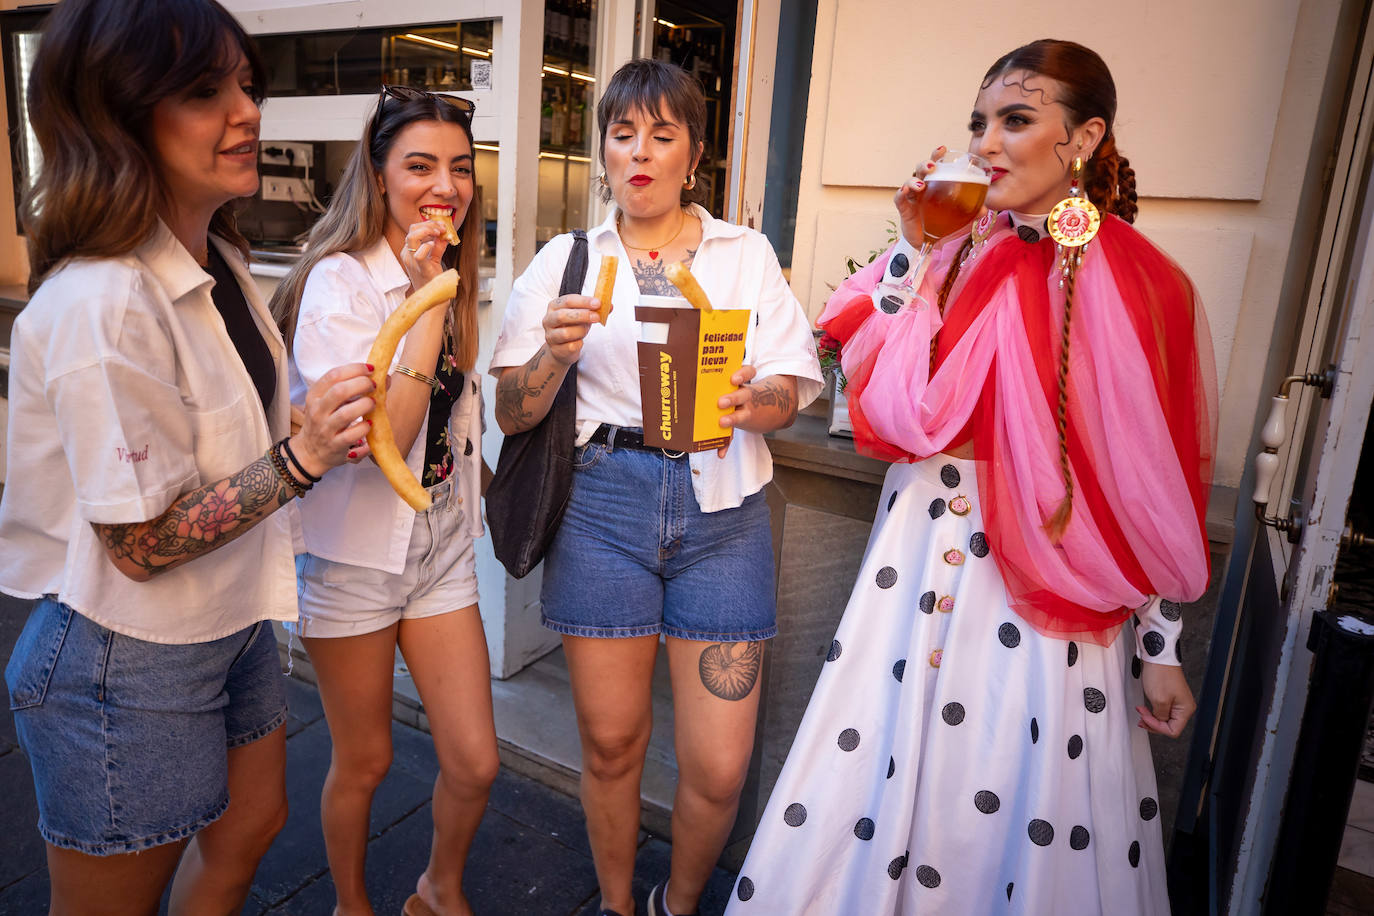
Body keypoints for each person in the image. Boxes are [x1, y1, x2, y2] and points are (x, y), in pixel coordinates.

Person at [726, 40, 1216, 915]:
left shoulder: (1138, 283)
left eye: (1016, 119)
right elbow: (862, 368)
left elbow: (1150, 489)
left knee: (1007, 792)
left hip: (1047, 597)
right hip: (917, 564)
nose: (988, 142)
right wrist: (915, 248)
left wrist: (1160, 648)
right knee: (882, 778)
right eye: (979, 122)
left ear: (1084, 136)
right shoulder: (956, 253)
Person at [0, 0, 375, 912]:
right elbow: (140, 544)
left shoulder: (220, 262)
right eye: (205, 91)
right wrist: (303, 457)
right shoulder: (104, 302)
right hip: (125, 652)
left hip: (235, 615)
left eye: (247, 85)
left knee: (249, 828)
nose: (248, 111)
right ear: (120, 116)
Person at [490, 59, 823, 916]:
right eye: (623, 133)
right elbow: (512, 409)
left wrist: (756, 402)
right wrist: (556, 353)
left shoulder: (743, 256)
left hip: (724, 512)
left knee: (716, 767)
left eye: (662, 134)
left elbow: (791, 388)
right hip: (602, 504)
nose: (639, 152)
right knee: (609, 742)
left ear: (693, 154)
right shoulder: (565, 262)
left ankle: (676, 904)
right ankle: (614, 902)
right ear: (603, 149)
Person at [269, 84, 495, 916]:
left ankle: (438, 889)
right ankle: (352, 904)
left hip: (437, 542)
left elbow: (450, 417)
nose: (447, 186)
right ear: (378, 172)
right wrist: (424, 291)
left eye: (461, 169)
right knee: (363, 761)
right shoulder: (342, 284)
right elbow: (384, 439)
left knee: (474, 761)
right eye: (422, 166)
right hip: (354, 553)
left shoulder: (453, 274)